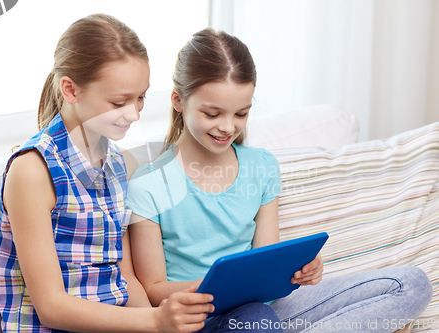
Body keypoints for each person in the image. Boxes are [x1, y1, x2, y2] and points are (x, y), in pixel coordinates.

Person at [126, 28, 433, 333]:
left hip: (266, 313)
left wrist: (295, 272)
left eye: (241, 113)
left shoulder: (260, 167)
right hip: (202, 322)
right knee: (256, 319)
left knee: (410, 284)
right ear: (178, 100)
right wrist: (215, 288)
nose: (227, 127)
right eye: (212, 113)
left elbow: (265, 261)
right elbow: (153, 288)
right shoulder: (149, 184)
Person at [0, 14, 221, 333]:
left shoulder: (114, 162)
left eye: (141, 97)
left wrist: (159, 326)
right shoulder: (33, 170)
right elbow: (51, 307)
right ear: (70, 90)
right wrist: (154, 320)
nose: (134, 113)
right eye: (119, 101)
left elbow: (124, 278)